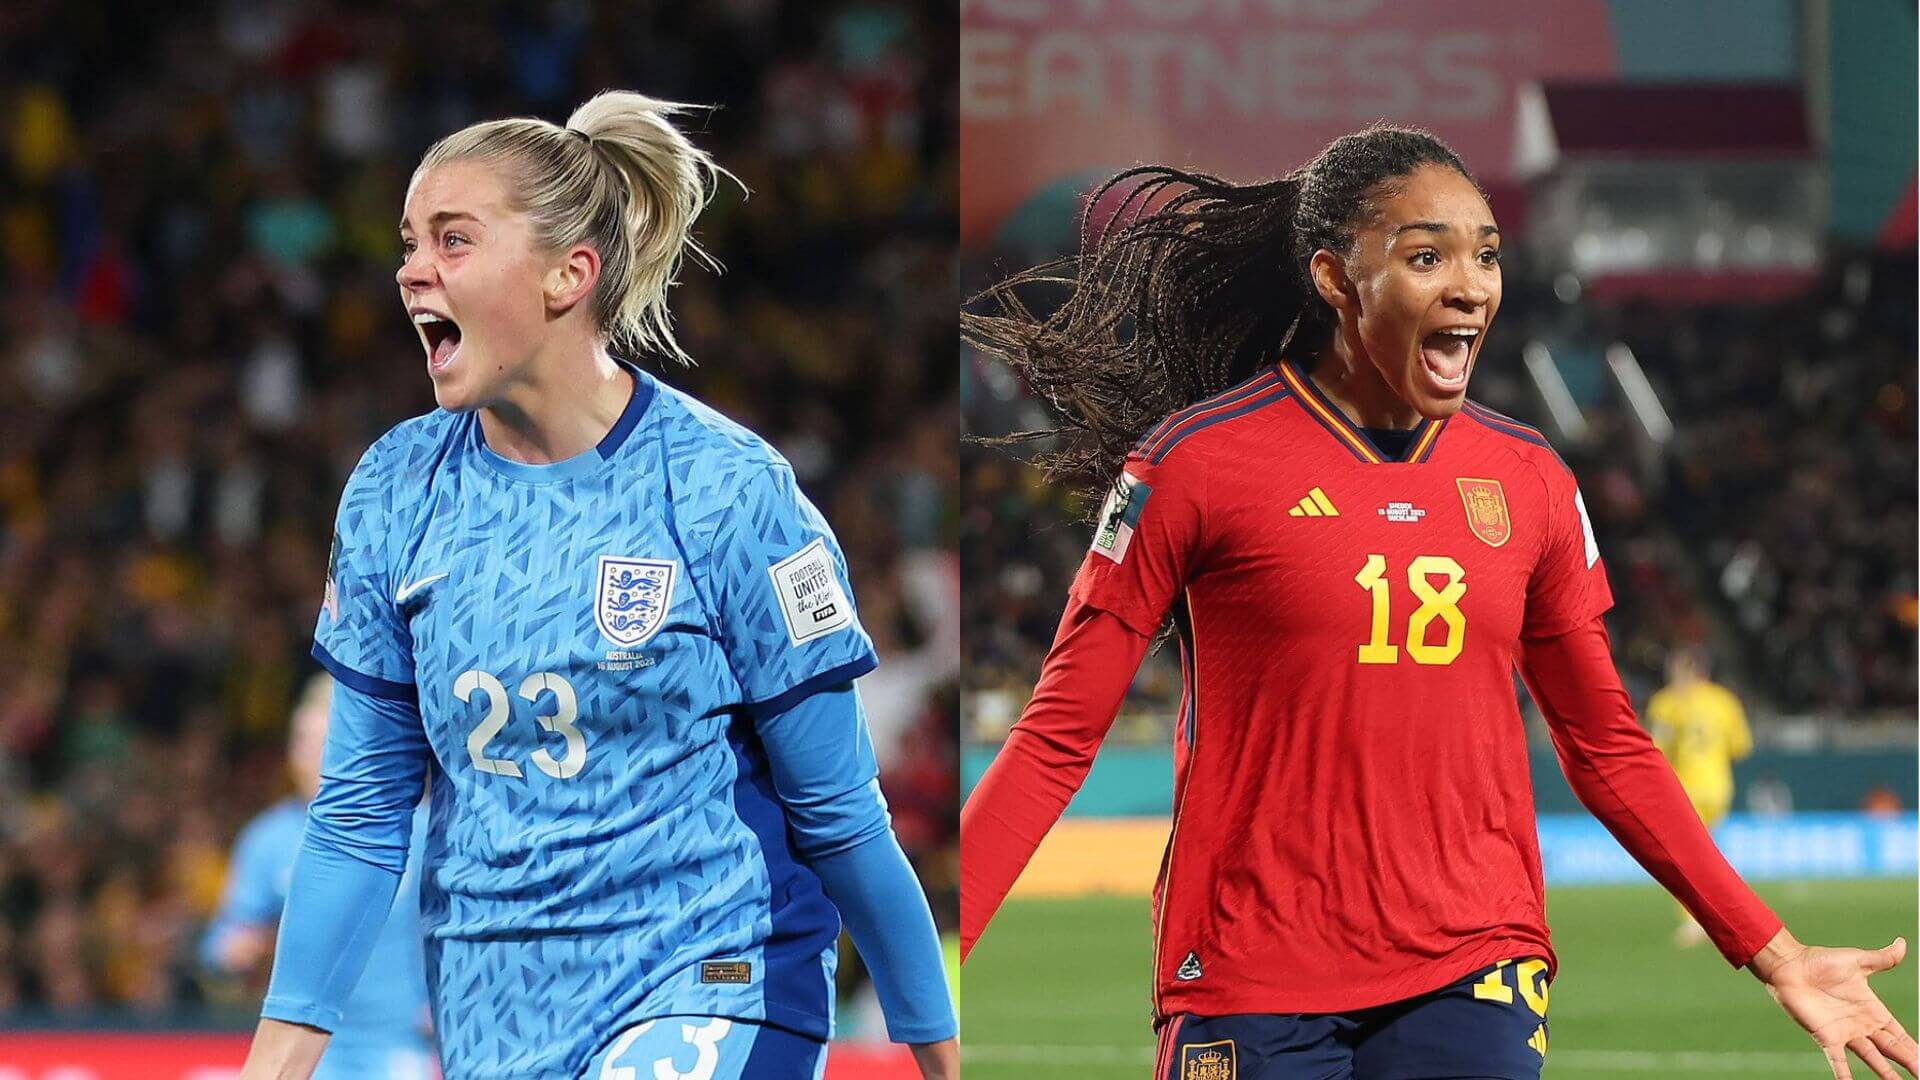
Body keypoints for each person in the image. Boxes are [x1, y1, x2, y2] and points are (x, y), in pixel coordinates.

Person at [959, 124, 1915, 1080]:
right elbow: (1055, 740)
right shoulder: (1193, 464)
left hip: (1475, 960)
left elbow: (1606, 743)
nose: (1472, 285)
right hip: (1252, 969)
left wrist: (1775, 952)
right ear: (1336, 278)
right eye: (1428, 256)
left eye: (1487, 255)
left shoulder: (1530, 478)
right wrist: (933, 960)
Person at [240, 90, 958, 1080]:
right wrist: (273, 1064)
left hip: (714, 978)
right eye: (409, 242)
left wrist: (938, 1045)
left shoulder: (726, 493)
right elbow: (361, 819)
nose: (411, 270)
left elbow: (838, 813)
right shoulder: (395, 491)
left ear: (567, 275)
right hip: (495, 1012)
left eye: (452, 241)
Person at [203, 674, 436, 1078]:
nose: (308, 755)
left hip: (398, 1042)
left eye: (323, 741)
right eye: (300, 741)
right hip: (307, 1049)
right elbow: (223, 943)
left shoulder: (417, 829)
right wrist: (235, 950)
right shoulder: (268, 839)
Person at [1646, 646, 1753, 946]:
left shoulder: (1666, 702)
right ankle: (1718, 914)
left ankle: (1698, 920)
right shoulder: (1725, 701)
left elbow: (1656, 748)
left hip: (1684, 789)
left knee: (1684, 857)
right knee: (1704, 852)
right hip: (1718, 788)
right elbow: (1741, 747)